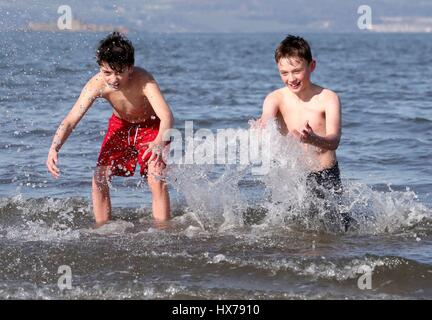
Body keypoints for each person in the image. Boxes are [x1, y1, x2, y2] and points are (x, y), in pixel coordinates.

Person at [46, 32, 174, 228]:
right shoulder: (97, 84)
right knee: (99, 177)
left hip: (152, 127)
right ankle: (102, 228)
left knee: (155, 177)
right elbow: (71, 119)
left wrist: (159, 142)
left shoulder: (144, 80)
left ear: (130, 68)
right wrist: (54, 147)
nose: (113, 79)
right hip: (120, 125)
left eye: (119, 72)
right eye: (107, 72)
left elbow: (167, 116)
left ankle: (164, 229)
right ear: (100, 68)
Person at [259, 35, 351, 231]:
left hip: (325, 176)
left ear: (312, 66)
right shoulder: (276, 98)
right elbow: (266, 116)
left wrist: (313, 139)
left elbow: (334, 141)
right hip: (292, 179)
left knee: (340, 231)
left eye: (296, 71)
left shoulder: (328, 98)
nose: (290, 78)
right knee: (289, 232)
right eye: (284, 73)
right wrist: (262, 126)